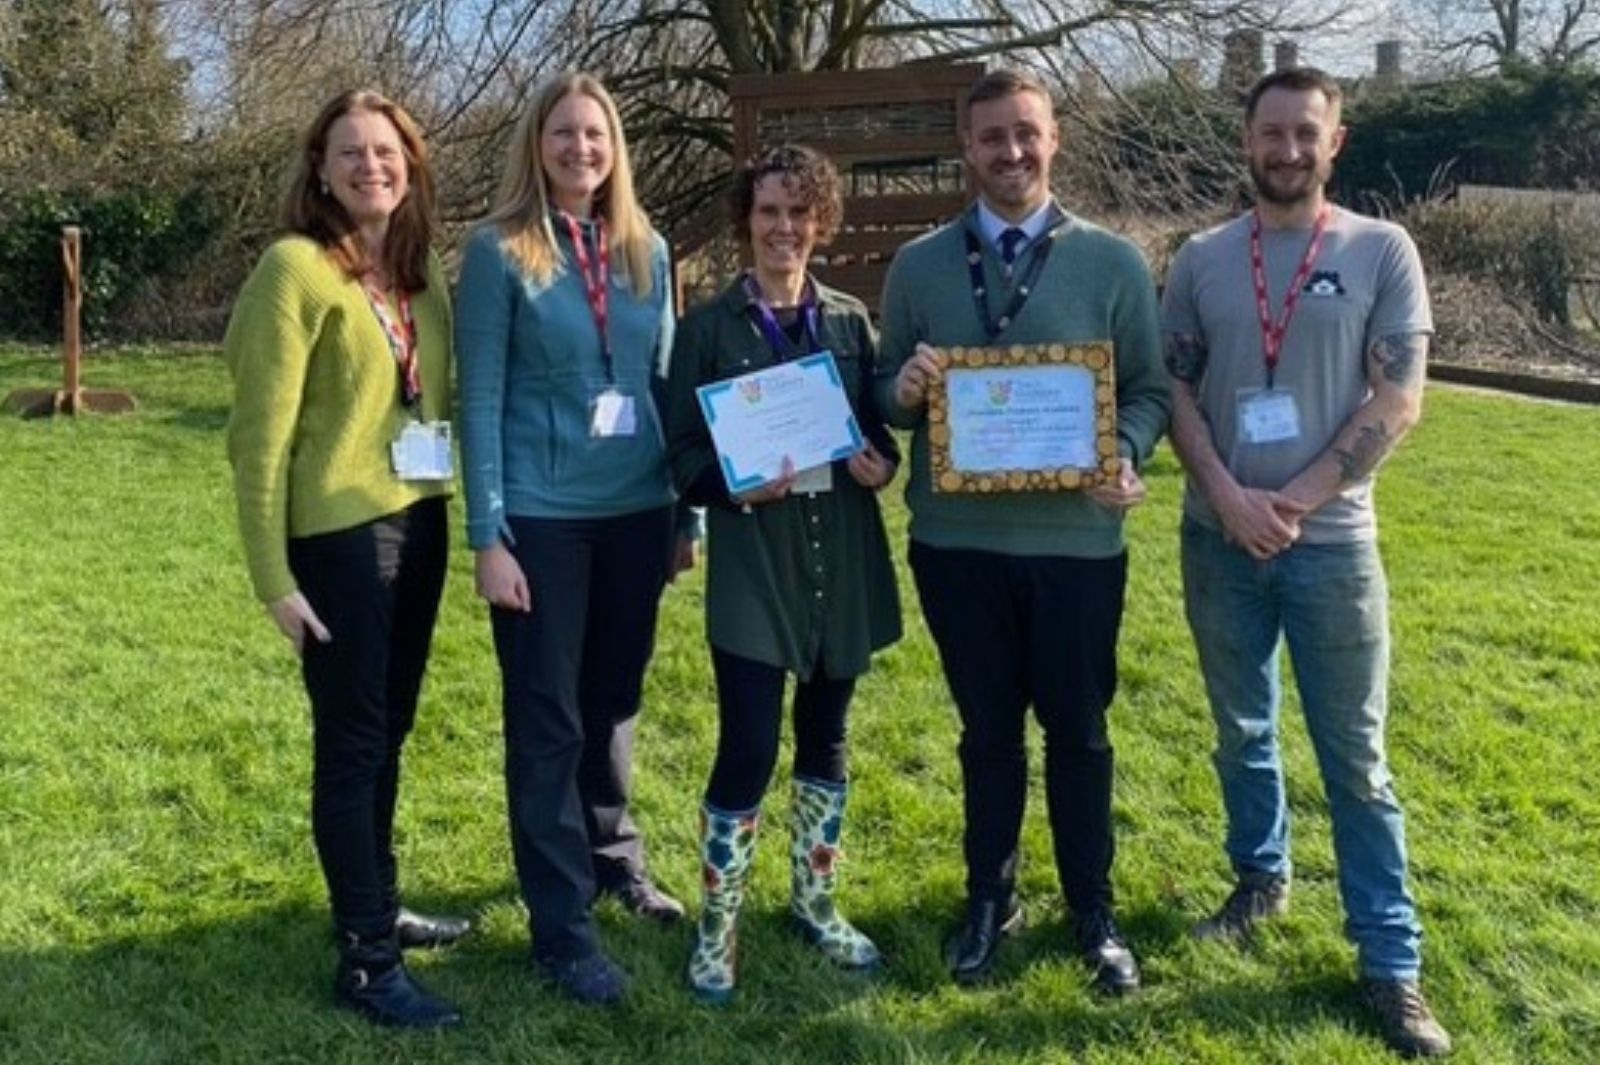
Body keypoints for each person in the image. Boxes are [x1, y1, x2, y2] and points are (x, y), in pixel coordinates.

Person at [1161, 66, 1451, 1058]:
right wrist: (1230, 499)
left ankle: (1390, 963)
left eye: (1304, 134)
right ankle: (1258, 883)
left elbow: (1398, 398)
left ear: (1335, 141)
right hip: (1218, 540)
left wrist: (1295, 498)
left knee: (1357, 763)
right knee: (1241, 732)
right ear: (1246, 141)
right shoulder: (1200, 258)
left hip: (1332, 548)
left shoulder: (1382, 249)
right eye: (1269, 133)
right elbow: (1176, 391)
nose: (1286, 150)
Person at [875, 69, 1169, 994]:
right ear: (966, 148)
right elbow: (883, 394)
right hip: (957, 545)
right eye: (993, 137)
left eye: (1027, 134)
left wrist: (1122, 449)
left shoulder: (1114, 262)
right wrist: (907, 391)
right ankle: (988, 900)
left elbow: (1152, 389)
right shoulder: (919, 265)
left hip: (1077, 545)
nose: (1011, 152)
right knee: (988, 732)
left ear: (1055, 140)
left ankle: (1095, 910)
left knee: (1079, 731)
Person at [223, 89, 465, 1030]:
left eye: (388, 150)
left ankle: (377, 906)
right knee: (353, 742)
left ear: (411, 163)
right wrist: (272, 578)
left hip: (422, 520)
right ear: (319, 169)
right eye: (351, 152)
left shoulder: (419, 270)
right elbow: (258, 438)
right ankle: (366, 963)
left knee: (388, 732)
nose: (373, 165)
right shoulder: (294, 270)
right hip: (339, 541)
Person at [454, 71, 692, 1007]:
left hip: (638, 512)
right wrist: (488, 535)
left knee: (614, 698)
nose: (580, 149)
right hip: (542, 522)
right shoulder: (498, 251)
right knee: (548, 717)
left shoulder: (648, 250)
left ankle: (612, 857)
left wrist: (689, 511)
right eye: (563, 133)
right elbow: (478, 398)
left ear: (615, 146)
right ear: (536, 143)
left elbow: (669, 383)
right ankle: (561, 926)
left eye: (595, 134)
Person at [664, 144, 902, 1002]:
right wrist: (731, 482)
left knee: (828, 736)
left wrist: (882, 462)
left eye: (801, 212)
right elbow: (681, 454)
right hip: (755, 564)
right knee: (750, 744)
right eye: (769, 211)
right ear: (746, 221)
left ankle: (816, 900)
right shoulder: (708, 330)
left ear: (821, 222)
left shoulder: (848, 322)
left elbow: (876, 433)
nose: (784, 228)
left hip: (839, 553)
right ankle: (717, 927)